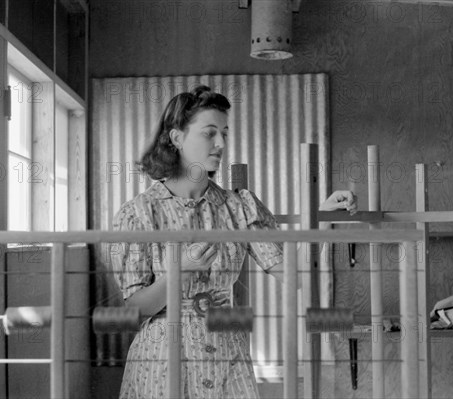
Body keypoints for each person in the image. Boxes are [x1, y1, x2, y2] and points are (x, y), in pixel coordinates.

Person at [110, 85, 356, 398]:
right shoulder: (140, 213)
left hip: (228, 355)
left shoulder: (238, 207)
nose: (220, 143)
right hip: (163, 360)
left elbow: (293, 275)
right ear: (176, 138)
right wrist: (181, 271)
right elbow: (135, 309)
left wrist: (320, 218)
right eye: (209, 133)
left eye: (225, 133)